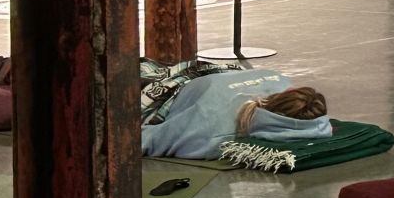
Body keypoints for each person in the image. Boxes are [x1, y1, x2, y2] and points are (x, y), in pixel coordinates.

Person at [141, 68, 330, 160]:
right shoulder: (211, 128)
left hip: (213, 73)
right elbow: (145, 140)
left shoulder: (281, 80)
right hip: (173, 87)